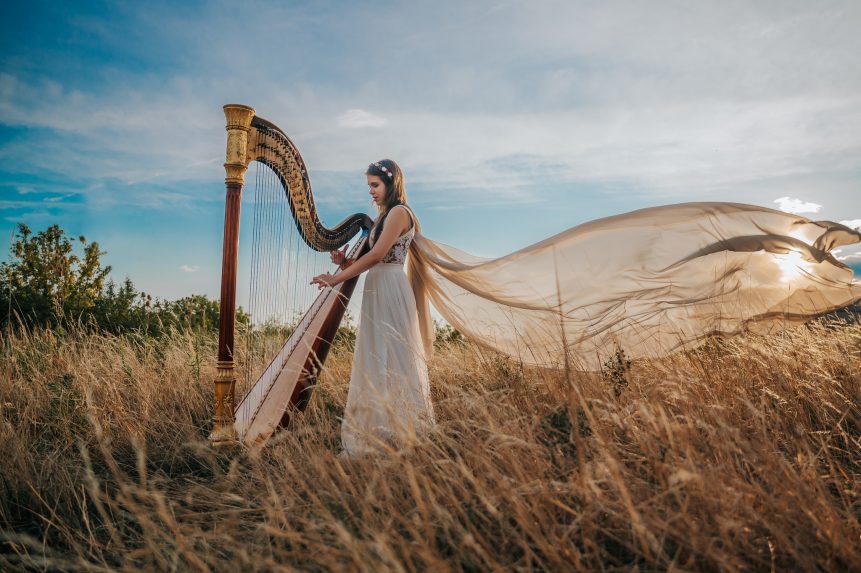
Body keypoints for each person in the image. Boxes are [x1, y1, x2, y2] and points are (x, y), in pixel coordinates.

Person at [311, 159, 435, 459]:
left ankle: (404, 432)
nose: (371, 191)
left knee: (395, 357)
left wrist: (337, 278)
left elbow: (379, 254)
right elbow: (369, 257)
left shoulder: (399, 213)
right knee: (375, 354)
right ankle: (378, 431)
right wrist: (343, 261)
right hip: (377, 287)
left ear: (392, 184)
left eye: (375, 185)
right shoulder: (381, 218)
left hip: (391, 287)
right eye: (369, 186)